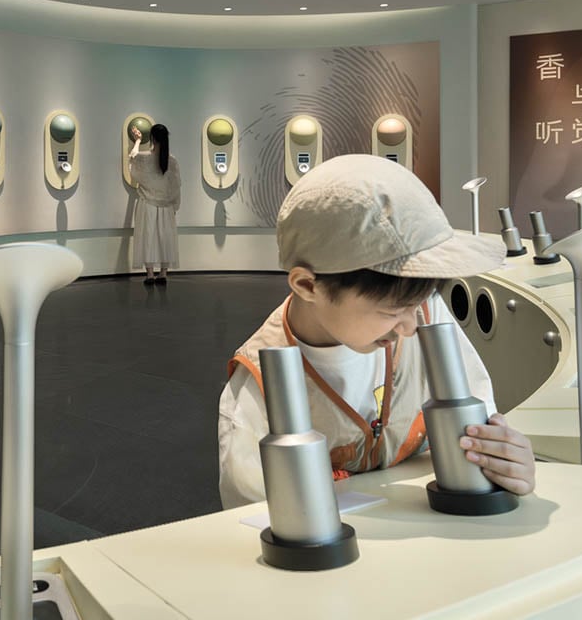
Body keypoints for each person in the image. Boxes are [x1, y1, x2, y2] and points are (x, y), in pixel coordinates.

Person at [217, 154, 536, 508]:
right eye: (391, 311)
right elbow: (253, 520)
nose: (411, 326)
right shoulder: (260, 388)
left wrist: (504, 464)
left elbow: (483, 439)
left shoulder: (423, 310)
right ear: (308, 286)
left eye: (419, 302)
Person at [129, 122, 181, 286]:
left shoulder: (145, 158)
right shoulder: (171, 161)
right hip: (166, 206)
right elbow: (176, 185)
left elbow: (132, 158)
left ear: (152, 138)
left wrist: (137, 140)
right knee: (165, 238)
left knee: (148, 237)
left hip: (148, 205)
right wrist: (175, 205)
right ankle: (163, 273)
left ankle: (150, 274)